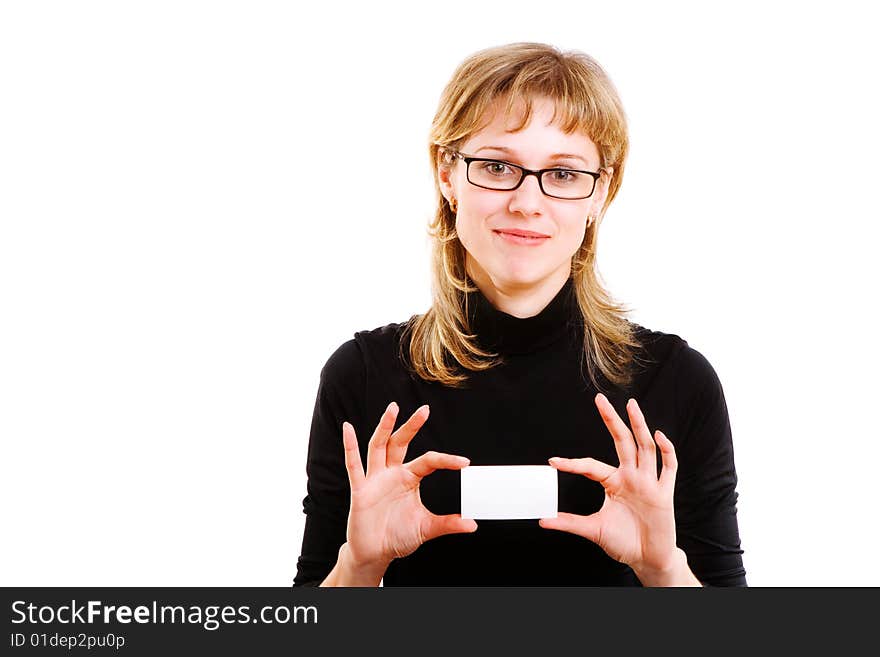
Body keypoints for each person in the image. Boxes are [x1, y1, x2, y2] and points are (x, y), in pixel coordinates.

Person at [293, 42, 746, 587]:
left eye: (563, 174)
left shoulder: (676, 381)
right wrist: (360, 565)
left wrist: (662, 568)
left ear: (601, 192)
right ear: (446, 174)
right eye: (496, 166)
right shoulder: (363, 377)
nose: (527, 202)